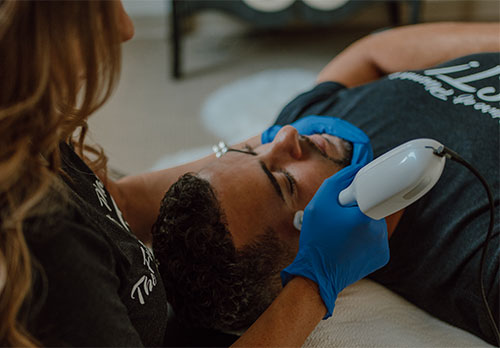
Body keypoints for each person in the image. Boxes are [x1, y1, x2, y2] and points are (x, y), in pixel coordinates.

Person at [0, 1, 390, 347]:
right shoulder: (48, 244)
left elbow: (115, 202)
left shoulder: (26, 142)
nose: (126, 29)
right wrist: (313, 286)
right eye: (100, 7)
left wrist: (248, 152)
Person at [152, 22, 500, 346]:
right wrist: (314, 283)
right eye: (285, 181)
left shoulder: (315, 126)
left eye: (247, 150)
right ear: (312, 238)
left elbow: (371, 53)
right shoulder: (475, 257)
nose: (286, 136)